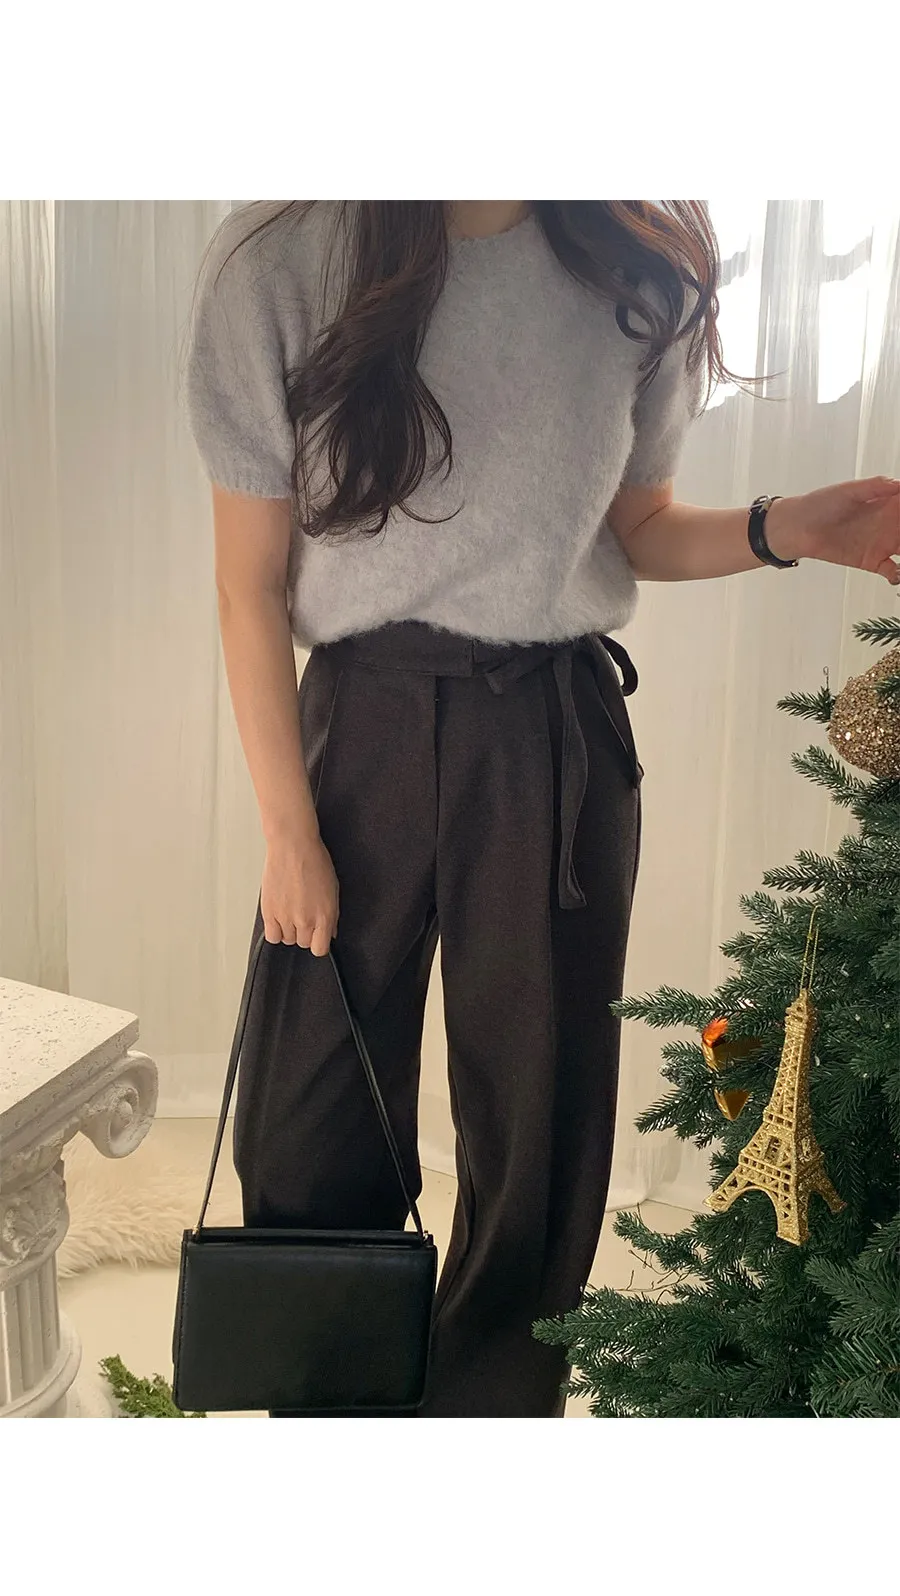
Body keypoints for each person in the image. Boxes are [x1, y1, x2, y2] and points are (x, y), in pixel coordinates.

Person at [183, 199, 900, 1419]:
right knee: (307, 1119)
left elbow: (637, 527)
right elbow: (247, 585)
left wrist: (788, 527)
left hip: (549, 732)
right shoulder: (282, 260)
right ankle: (332, 1415)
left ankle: (487, 1428)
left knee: (539, 1128)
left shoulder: (639, 275)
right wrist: (289, 831)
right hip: (362, 723)